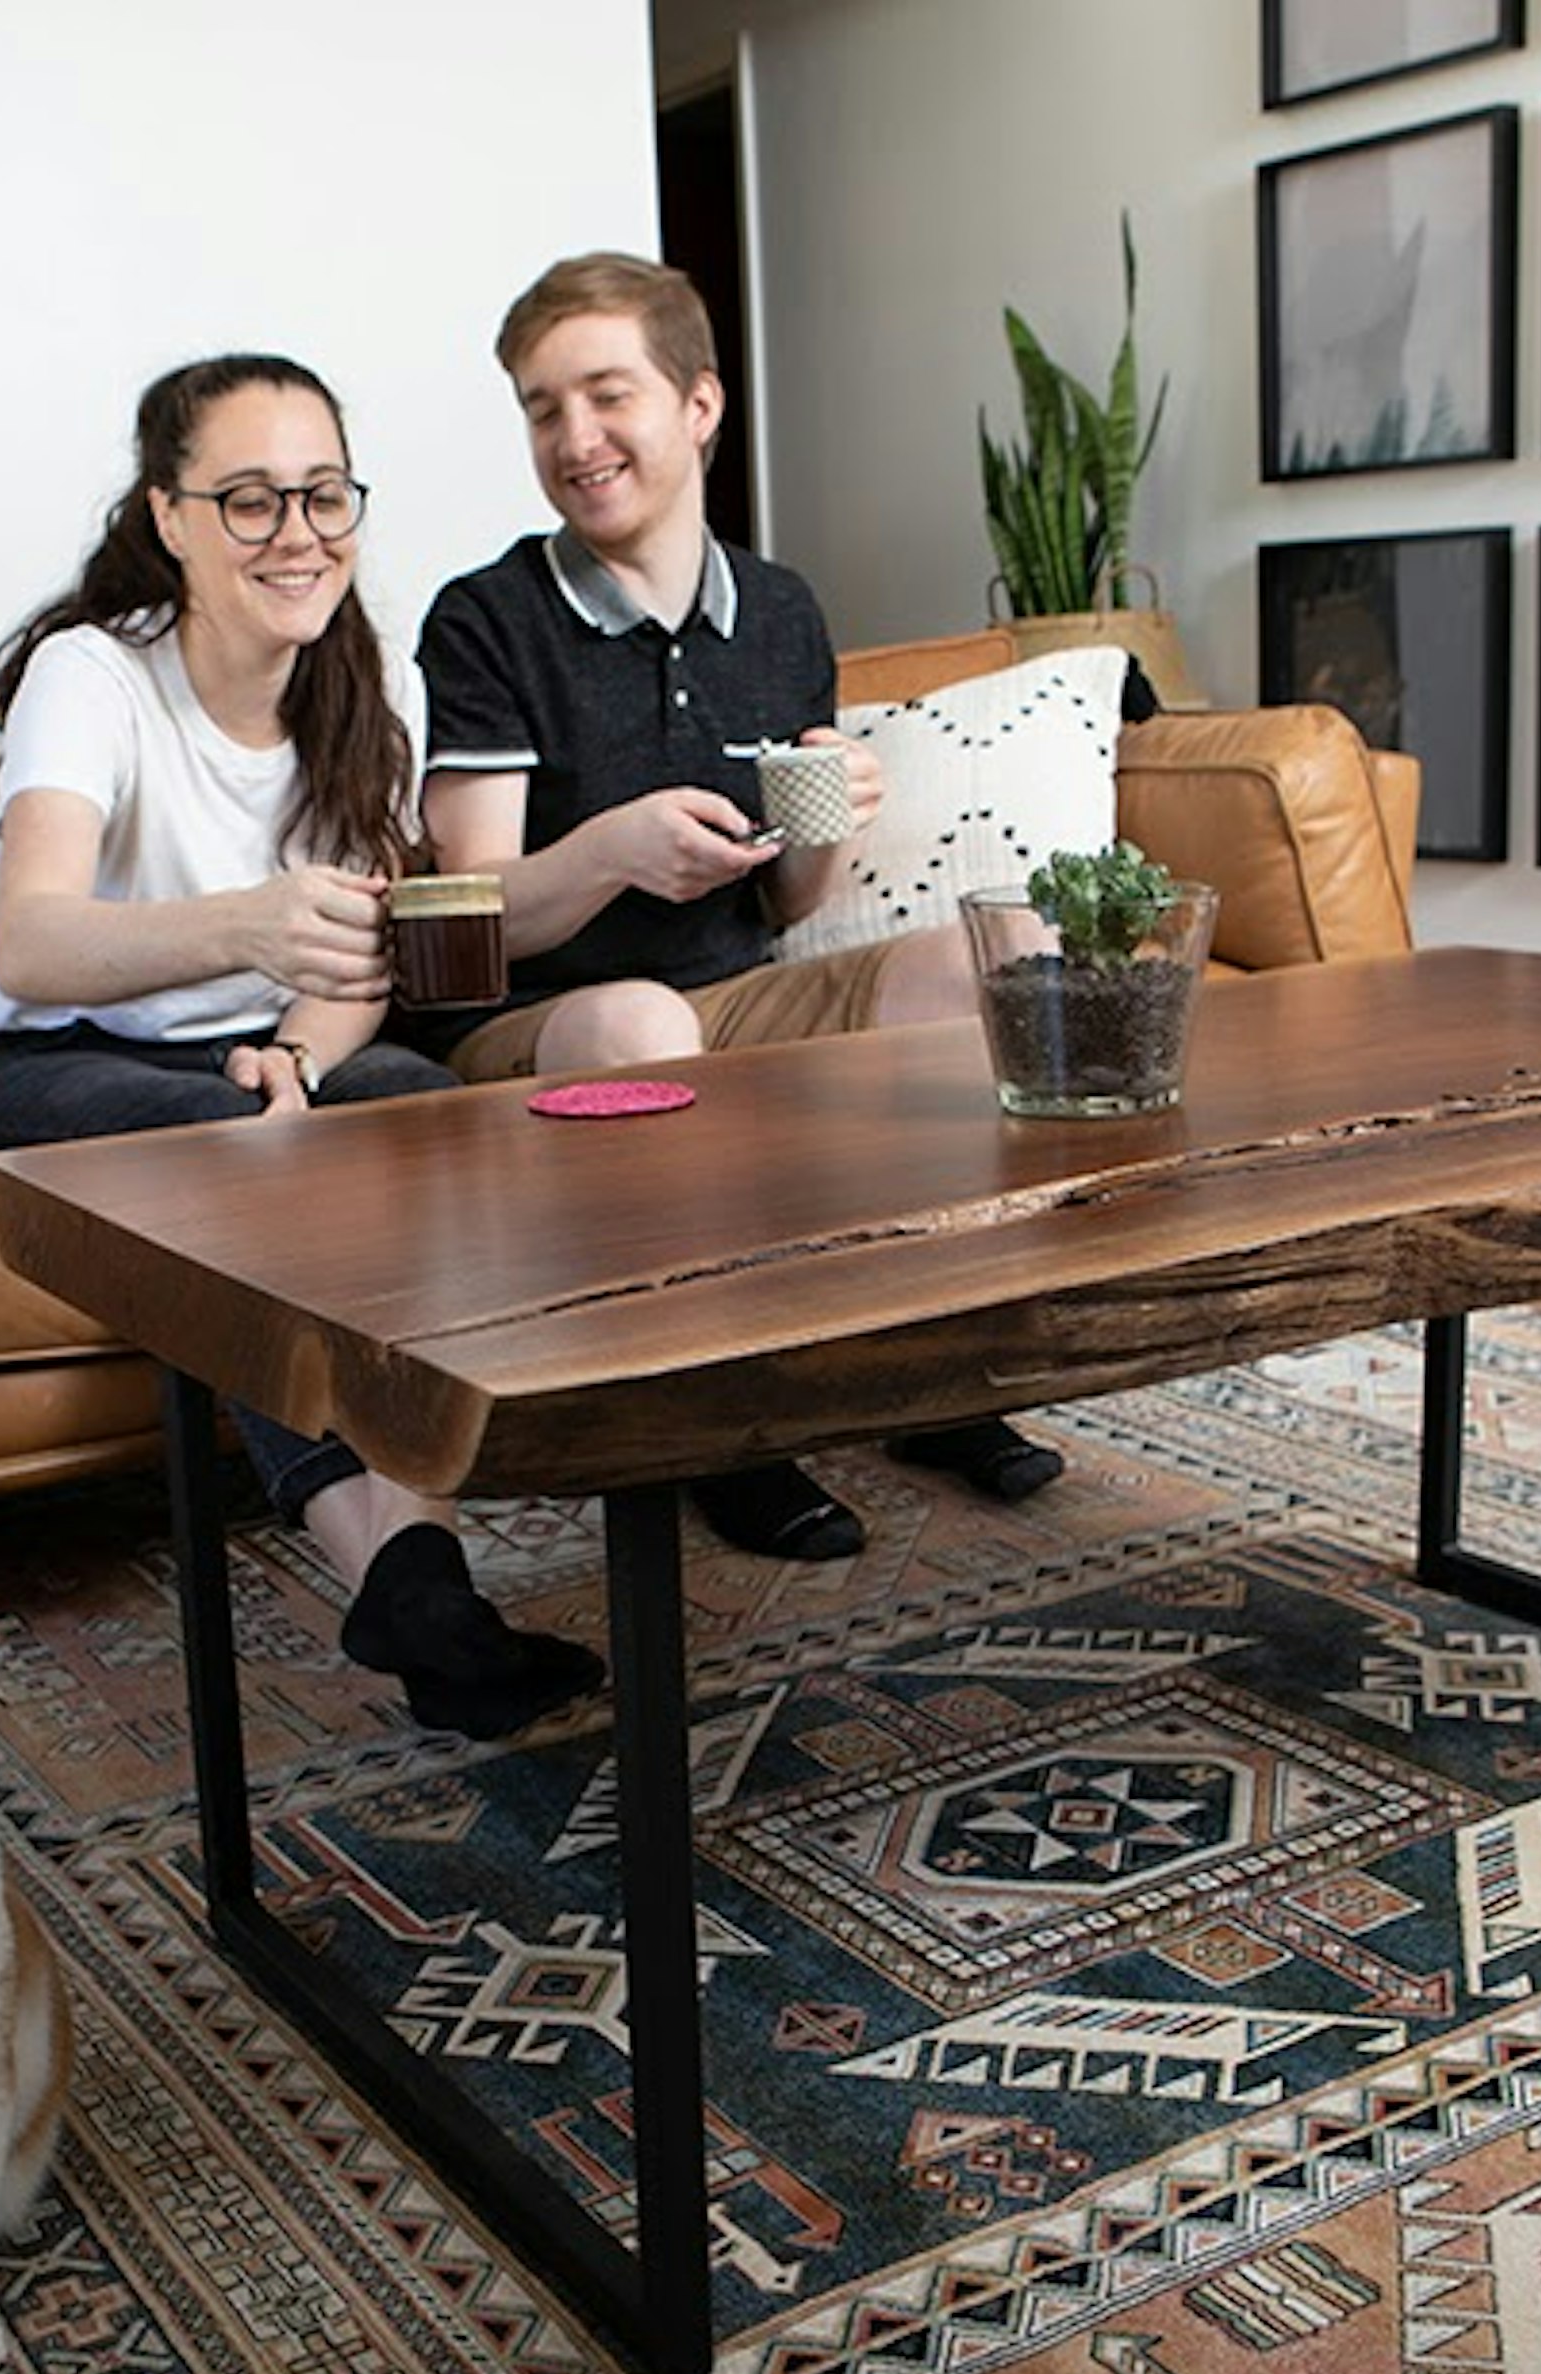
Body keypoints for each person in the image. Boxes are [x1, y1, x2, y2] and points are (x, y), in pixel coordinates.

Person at [0, 352, 600, 1740]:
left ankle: (422, 1594)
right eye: (248, 500)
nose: (297, 534)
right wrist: (247, 929)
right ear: (169, 515)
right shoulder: (94, 676)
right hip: (62, 1055)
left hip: (248, 1052)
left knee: (418, 1111)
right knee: (241, 1174)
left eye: (323, 495)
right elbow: (34, 944)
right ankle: (414, 1582)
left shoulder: (355, 692)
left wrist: (299, 1053)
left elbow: (355, 964)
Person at [410, 252, 1065, 1565]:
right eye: (543, 409)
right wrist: (608, 849)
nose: (574, 439)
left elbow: (789, 899)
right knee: (648, 1024)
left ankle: (949, 1366)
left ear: (699, 406)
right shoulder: (488, 618)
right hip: (538, 1021)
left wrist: (831, 816)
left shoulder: (777, 611)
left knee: (1001, 953)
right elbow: (468, 918)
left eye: (606, 396)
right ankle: (726, 1426)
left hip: (734, 987)